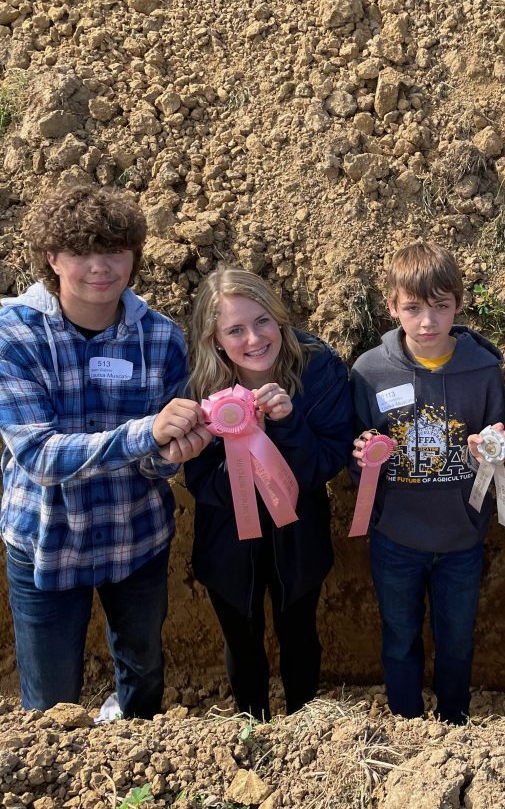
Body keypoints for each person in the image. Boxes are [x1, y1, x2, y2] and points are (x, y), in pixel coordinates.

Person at [0, 185, 209, 716]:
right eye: (81, 253)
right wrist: (149, 432)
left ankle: (141, 783)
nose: (100, 267)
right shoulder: (14, 335)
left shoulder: (160, 339)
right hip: (45, 541)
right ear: (52, 258)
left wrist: (176, 448)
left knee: (142, 672)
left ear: (134, 255)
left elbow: (156, 463)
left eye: (115, 251)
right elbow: (40, 457)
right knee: (50, 704)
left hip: (134, 536)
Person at [185, 268, 353, 721]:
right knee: (241, 638)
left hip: (299, 531)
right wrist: (238, 460)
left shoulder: (320, 369)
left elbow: (326, 462)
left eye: (262, 321)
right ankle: (250, 727)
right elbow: (197, 480)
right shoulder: (196, 385)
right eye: (235, 329)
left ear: (278, 318)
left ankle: (304, 729)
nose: (254, 338)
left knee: (299, 632)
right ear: (216, 339)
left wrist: (287, 423)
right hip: (227, 538)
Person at [350, 242, 505, 725]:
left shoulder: (483, 370)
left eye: (440, 306)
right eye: (413, 308)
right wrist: (360, 459)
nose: (427, 322)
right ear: (393, 306)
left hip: (462, 538)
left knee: (456, 637)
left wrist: (493, 447)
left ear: (458, 304)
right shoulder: (368, 372)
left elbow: (499, 447)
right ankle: (406, 722)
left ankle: (453, 723)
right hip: (395, 537)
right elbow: (355, 458)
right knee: (400, 637)